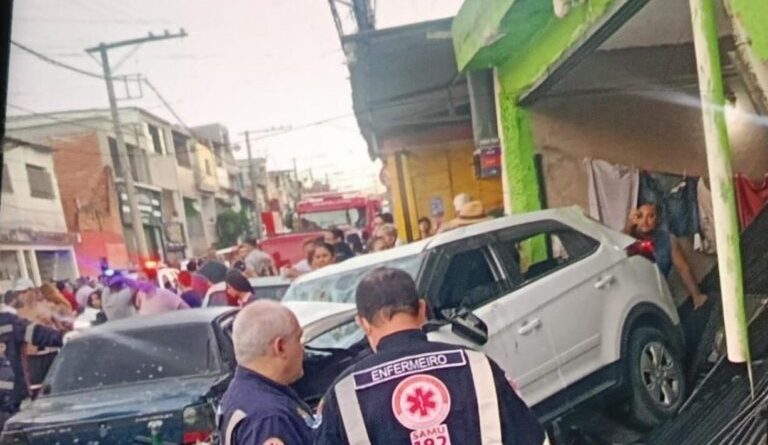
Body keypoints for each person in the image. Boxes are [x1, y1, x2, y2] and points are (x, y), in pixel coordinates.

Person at [316, 267, 546, 445]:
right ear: (423, 309)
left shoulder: (344, 393)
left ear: (363, 323)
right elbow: (533, 439)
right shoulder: (479, 366)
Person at [218, 300, 316, 445]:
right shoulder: (270, 418)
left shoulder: (240, 393)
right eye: (298, 339)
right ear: (280, 347)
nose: (303, 349)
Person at [624, 203, 708, 309]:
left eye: (650, 216)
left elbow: (683, 269)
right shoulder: (627, 237)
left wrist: (697, 296)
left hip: (659, 293)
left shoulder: (667, 239)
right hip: (633, 296)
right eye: (640, 216)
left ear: (658, 220)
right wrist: (628, 226)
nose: (645, 221)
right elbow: (619, 247)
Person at [2, 278, 65, 418]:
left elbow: (51, 330)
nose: (22, 295)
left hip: (49, 354)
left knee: (53, 387)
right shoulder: (15, 314)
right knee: (37, 391)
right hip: (30, 360)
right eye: (19, 292)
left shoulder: (47, 307)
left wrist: (63, 337)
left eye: (24, 291)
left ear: (32, 291)